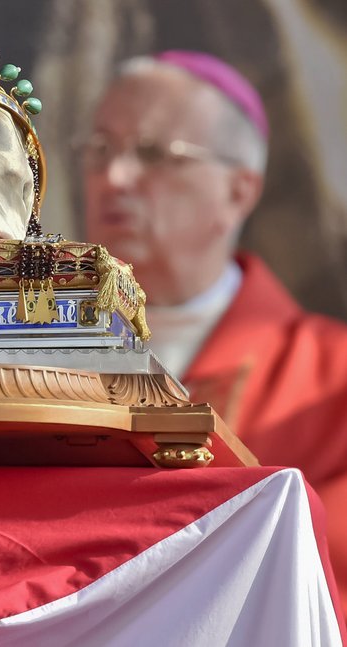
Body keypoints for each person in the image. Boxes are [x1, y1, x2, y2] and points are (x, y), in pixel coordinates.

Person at [82, 50, 347, 604]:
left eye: (153, 154)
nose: (114, 177)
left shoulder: (331, 377)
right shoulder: (30, 351)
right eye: (100, 150)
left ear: (238, 192)